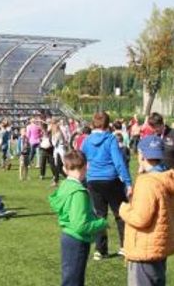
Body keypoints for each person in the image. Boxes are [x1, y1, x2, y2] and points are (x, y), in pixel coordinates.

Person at [120, 135, 174, 286]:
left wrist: (124, 209)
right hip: (158, 247)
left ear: (142, 155)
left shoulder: (147, 183)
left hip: (144, 249)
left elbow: (140, 218)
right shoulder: (166, 178)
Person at [49, 150, 108, 286]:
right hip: (77, 239)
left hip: (68, 236)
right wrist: (101, 223)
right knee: (73, 280)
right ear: (86, 167)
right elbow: (80, 225)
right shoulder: (78, 193)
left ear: (64, 168)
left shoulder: (65, 185)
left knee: (71, 277)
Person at [81, 111, 132, 261]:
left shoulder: (87, 140)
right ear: (107, 124)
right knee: (120, 213)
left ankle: (100, 250)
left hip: (93, 180)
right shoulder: (110, 139)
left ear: (93, 123)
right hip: (111, 179)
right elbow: (119, 162)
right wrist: (128, 182)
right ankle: (125, 246)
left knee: (99, 215)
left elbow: (82, 159)